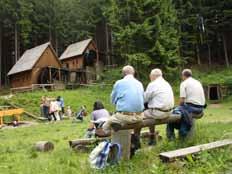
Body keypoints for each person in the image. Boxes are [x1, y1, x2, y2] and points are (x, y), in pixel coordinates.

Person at [134, 69, 174, 145]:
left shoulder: (153, 84)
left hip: (159, 113)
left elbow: (144, 99)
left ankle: (136, 140)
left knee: (138, 116)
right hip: (169, 112)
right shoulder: (166, 83)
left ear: (152, 76)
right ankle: (152, 137)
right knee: (150, 112)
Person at [103, 65, 144, 134]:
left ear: (123, 74)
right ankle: (136, 138)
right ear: (133, 73)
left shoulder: (119, 83)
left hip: (125, 117)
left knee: (105, 126)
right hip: (140, 116)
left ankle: (109, 142)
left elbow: (112, 100)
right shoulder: (139, 83)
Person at [166, 69, 206, 140]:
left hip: (191, 107)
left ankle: (172, 136)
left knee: (173, 112)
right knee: (179, 110)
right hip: (201, 108)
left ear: (183, 76)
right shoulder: (198, 82)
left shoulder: (184, 83)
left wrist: (178, 107)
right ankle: (182, 131)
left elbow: (182, 100)